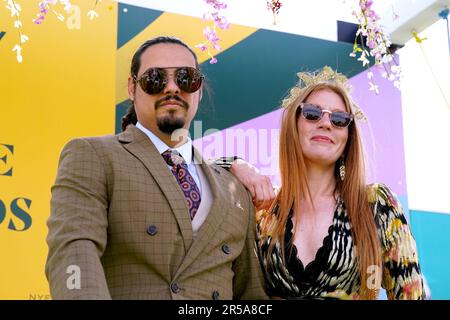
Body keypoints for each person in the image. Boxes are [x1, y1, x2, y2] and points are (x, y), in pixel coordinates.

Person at [45, 36, 268, 300]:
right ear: (132, 87)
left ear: (198, 89)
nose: (172, 88)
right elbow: (73, 251)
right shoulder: (94, 156)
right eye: (155, 78)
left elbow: (251, 294)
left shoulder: (234, 188)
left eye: (186, 78)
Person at [255, 66, 425, 300]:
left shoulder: (375, 204)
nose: (326, 123)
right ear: (294, 126)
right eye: (312, 113)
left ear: (348, 137)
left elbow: (411, 294)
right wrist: (235, 165)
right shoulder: (264, 212)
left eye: (339, 119)